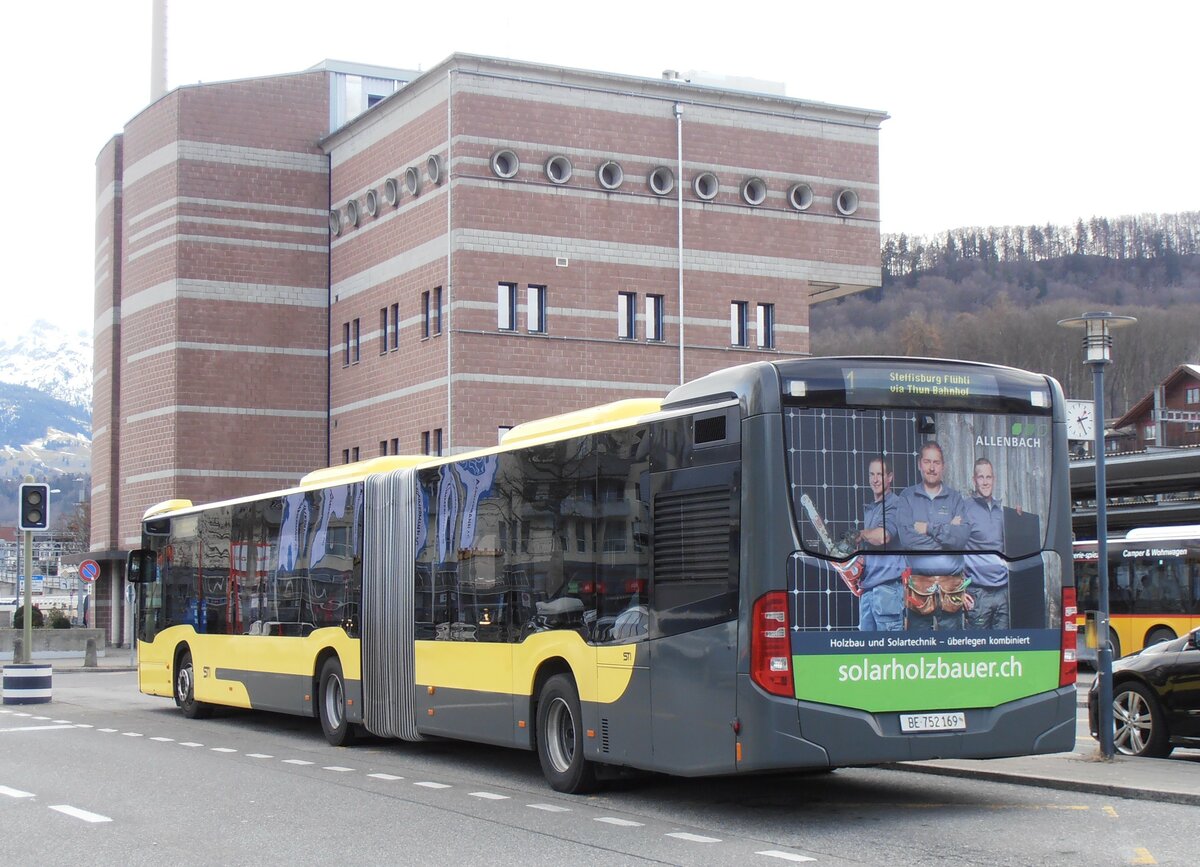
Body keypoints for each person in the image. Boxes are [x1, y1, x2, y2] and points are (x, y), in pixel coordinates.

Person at [895, 441, 970, 630]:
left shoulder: (955, 498)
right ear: (920, 464)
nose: (931, 467)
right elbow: (907, 540)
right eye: (927, 462)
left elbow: (961, 539)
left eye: (936, 462)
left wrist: (928, 528)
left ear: (943, 466)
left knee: (952, 652)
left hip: (951, 590)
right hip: (918, 590)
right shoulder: (907, 497)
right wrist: (947, 531)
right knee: (918, 650)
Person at [855, 457, 907, 631]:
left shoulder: (896, 504)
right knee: (865, 653)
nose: (875, 479)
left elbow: (883, 536)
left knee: (889, 651)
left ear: (890, 477)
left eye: (880, 474)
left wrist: (861, 534)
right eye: (872, 474)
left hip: (888, 590)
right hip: (868, 589)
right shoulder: (871, 509)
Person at [963, 458, 1010, 629]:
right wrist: (958, 590)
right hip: (978, 593)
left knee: (1003, 647)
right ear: (974, 480)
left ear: (994, 479)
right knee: (978, 650)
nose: (985, 482)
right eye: (980, 477)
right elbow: (951, 550)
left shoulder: (1002, 512)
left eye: (988, 477)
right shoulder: (964, 509)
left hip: (1003, 592)